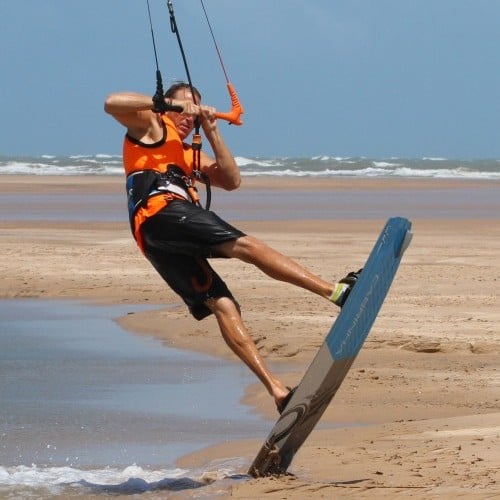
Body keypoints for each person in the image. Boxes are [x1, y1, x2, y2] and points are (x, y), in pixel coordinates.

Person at [104, 82, 360, 413]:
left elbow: (231, 179)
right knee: (247, 246)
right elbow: (112, 103)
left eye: (194, 111)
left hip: (154, 238)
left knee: (223, 305)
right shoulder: (152, 126)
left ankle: (278, 391)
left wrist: (210, 128)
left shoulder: (184, 153)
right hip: (162, 213)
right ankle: (335, 292)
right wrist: (169, 104)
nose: (189, 116)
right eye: (186, 107)